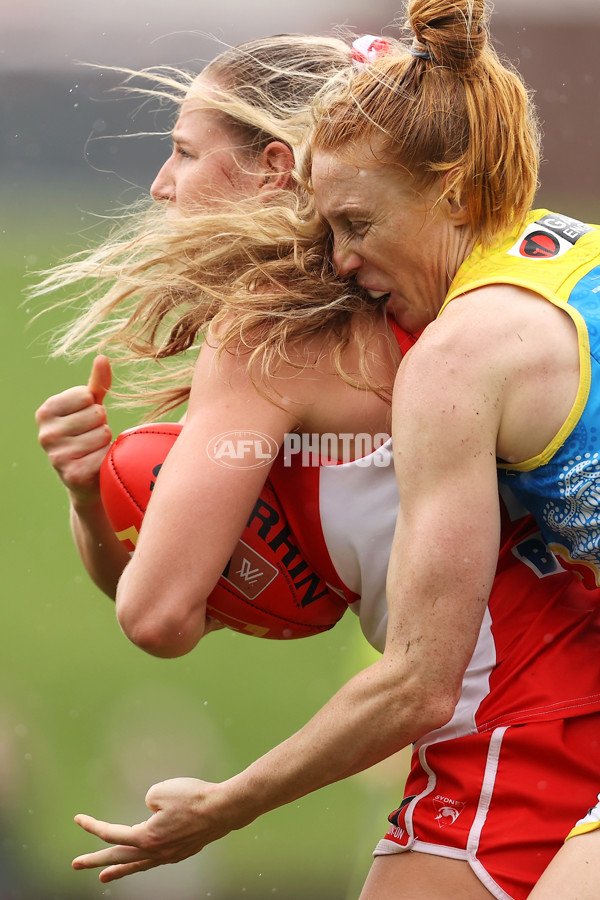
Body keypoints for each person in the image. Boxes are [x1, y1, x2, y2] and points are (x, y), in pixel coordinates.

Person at [33, 22, 600, 900]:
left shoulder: (274, 341)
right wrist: (91, 497)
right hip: (530, 687)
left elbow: (158, 613)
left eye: (184, 153)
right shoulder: (485, 270)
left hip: (512, 713)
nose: (160, 184)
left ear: (274, 168)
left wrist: (227, 804)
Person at [307, 0, 600, 896]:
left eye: (356, 224)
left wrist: (228, 804)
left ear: (455, 193)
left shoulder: (458, 357)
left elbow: (419, 688)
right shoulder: (571, 253)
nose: (339, 262)